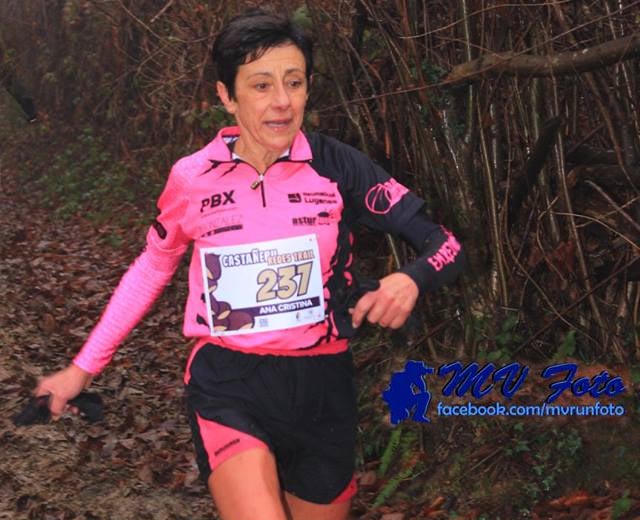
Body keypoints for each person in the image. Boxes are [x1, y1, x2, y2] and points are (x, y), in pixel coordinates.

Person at [35, 9, 465, 520]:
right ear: (227, 96)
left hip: (323, 385)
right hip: (228, 380)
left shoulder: (339, 167)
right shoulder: (193, 178)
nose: (282, 101)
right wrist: (83, 368)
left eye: (294, 82)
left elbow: (444, 244)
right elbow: (153, 266)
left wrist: (411, 280)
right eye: (261, 85)